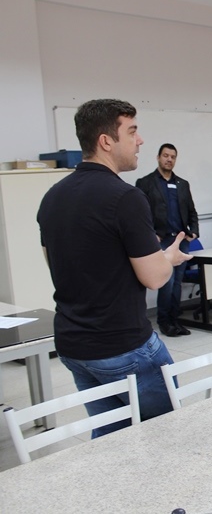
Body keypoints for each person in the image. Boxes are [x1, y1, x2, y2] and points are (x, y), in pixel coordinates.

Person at [37, 98, 191, 437]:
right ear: (106, 141)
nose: (140, 141)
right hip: (123, 348)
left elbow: (58, 263)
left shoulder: (53, 196)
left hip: (74, 346)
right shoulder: (125, 198)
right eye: (132, 131)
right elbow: (154, 277)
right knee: (170, 436)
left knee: (113, 441)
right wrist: (168, 257)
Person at [136, 144, 199, 337]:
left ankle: (175, 320)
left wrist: (194, 232)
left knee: (177, 283)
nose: (169, 160)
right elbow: (140, 213)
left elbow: (191, 211)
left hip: (181, 240)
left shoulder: (182, 184)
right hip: (161, 241)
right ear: (158, 158)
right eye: (165, 156)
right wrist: (150, 234)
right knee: (167, 282)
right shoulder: (145, 183)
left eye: (172, 157)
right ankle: (165, 322)